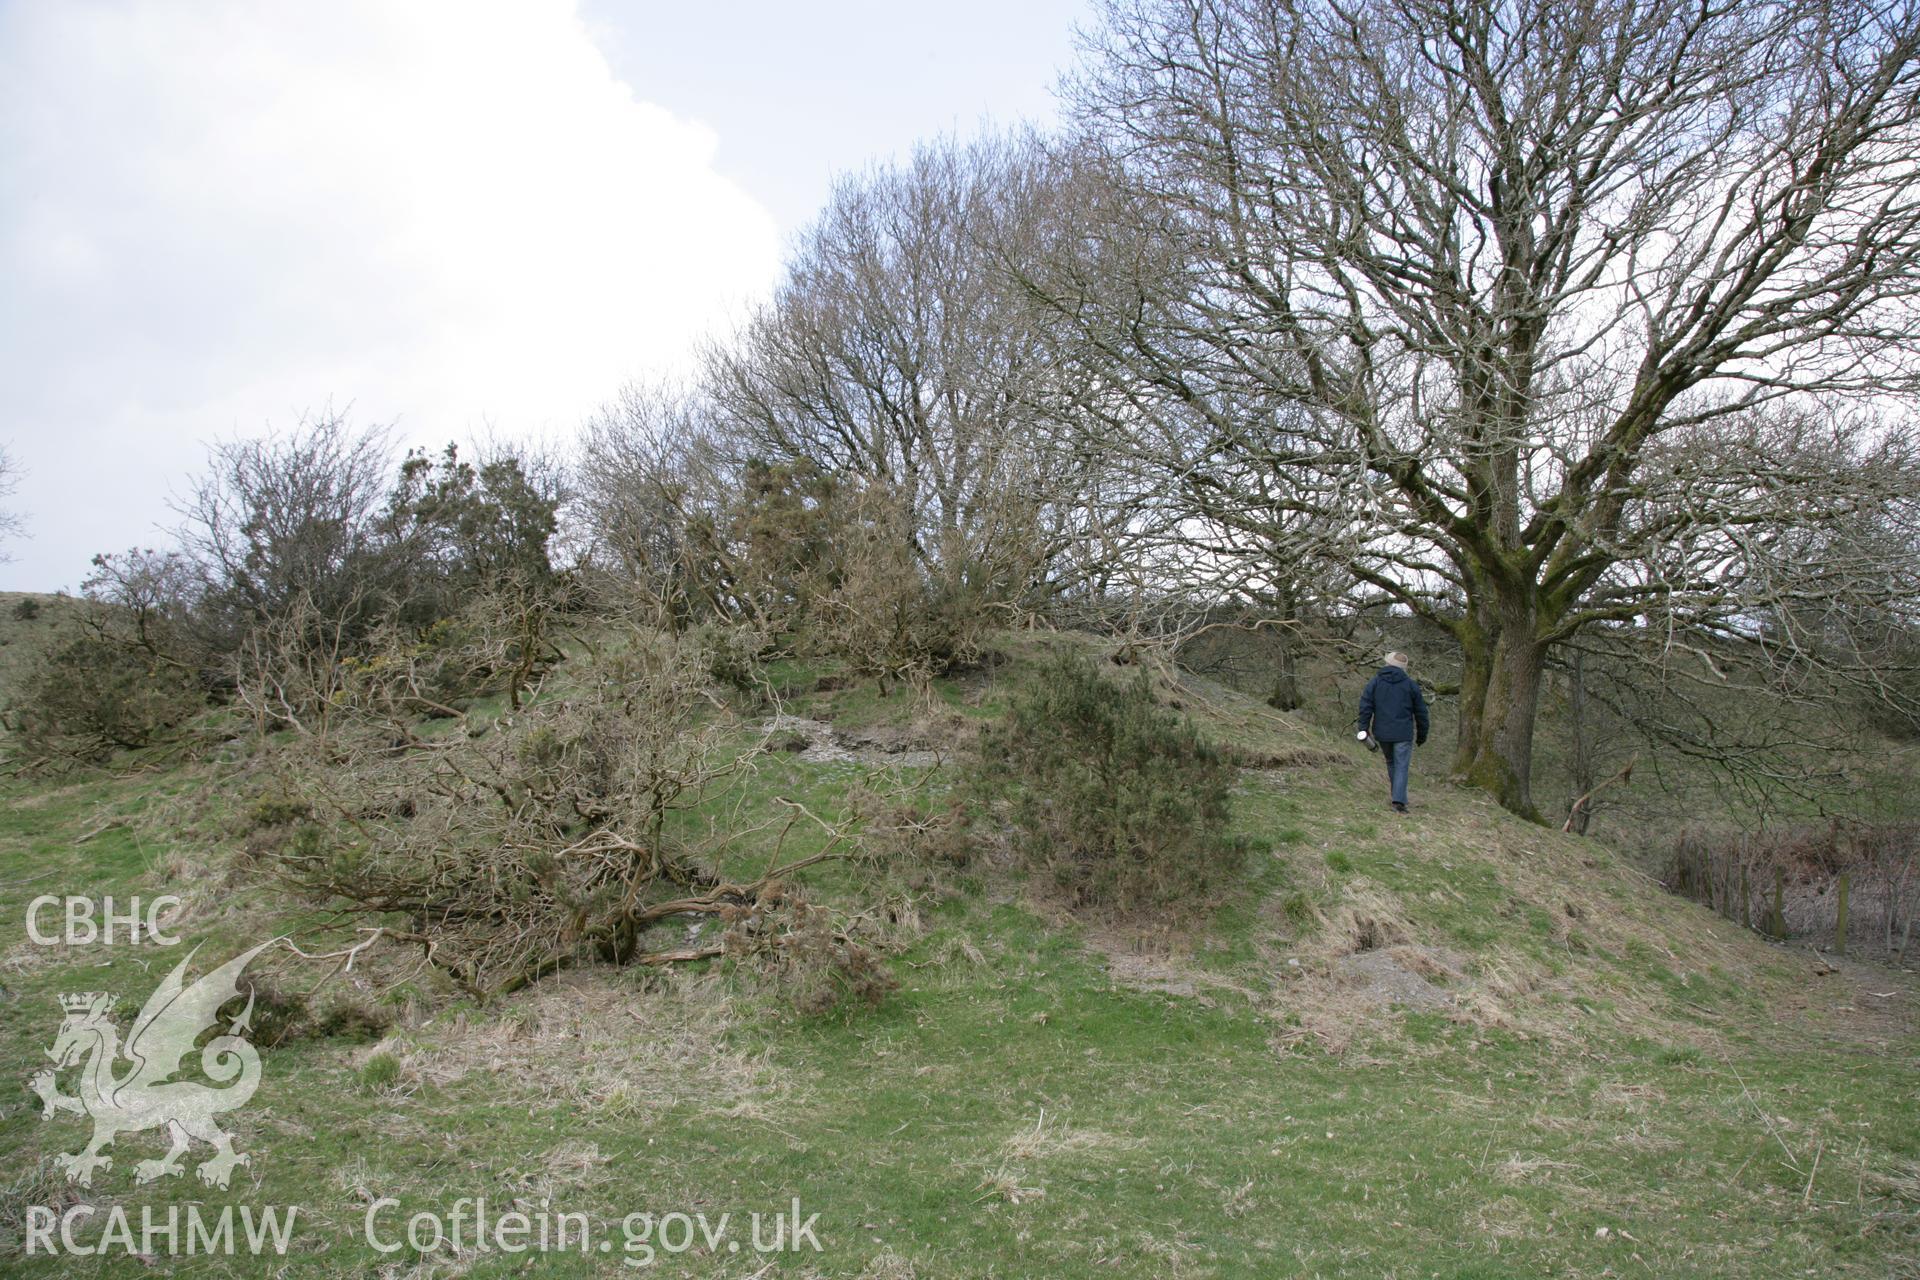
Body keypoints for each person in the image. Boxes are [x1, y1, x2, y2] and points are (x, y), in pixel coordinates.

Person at [1357, 651, 1430, 814]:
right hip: (1403, 733)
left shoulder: (1375, 682)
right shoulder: (1411, 685)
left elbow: (1365, 706)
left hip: (1382, 733)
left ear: (1387, 663)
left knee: (1391, 763)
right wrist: (1422, 735)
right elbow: (1421, 713)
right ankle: (1398, 801)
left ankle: (1396, 796)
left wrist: (1363, 728)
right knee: (1402, 765)